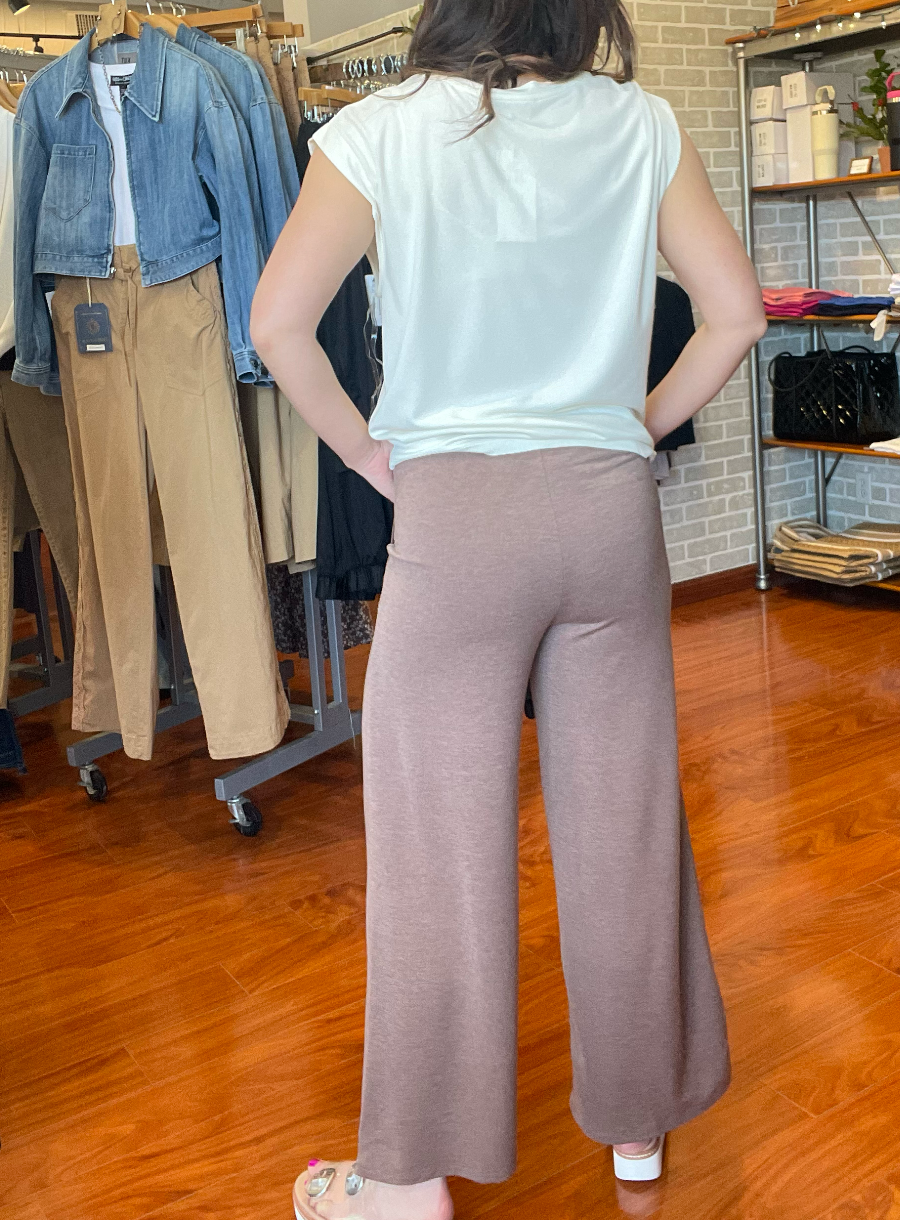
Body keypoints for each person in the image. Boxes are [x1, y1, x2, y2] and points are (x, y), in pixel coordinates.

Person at [251, 1, 765, 1216]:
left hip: (457, 518)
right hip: (607, 515)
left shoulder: (379, 128)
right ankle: (637, 1128)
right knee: (627, 824)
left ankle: (408, 1181)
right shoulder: (639, 123)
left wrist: (370, 455)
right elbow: (737, 314)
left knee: (436, 850)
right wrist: (631, 428)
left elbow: (277, 322)